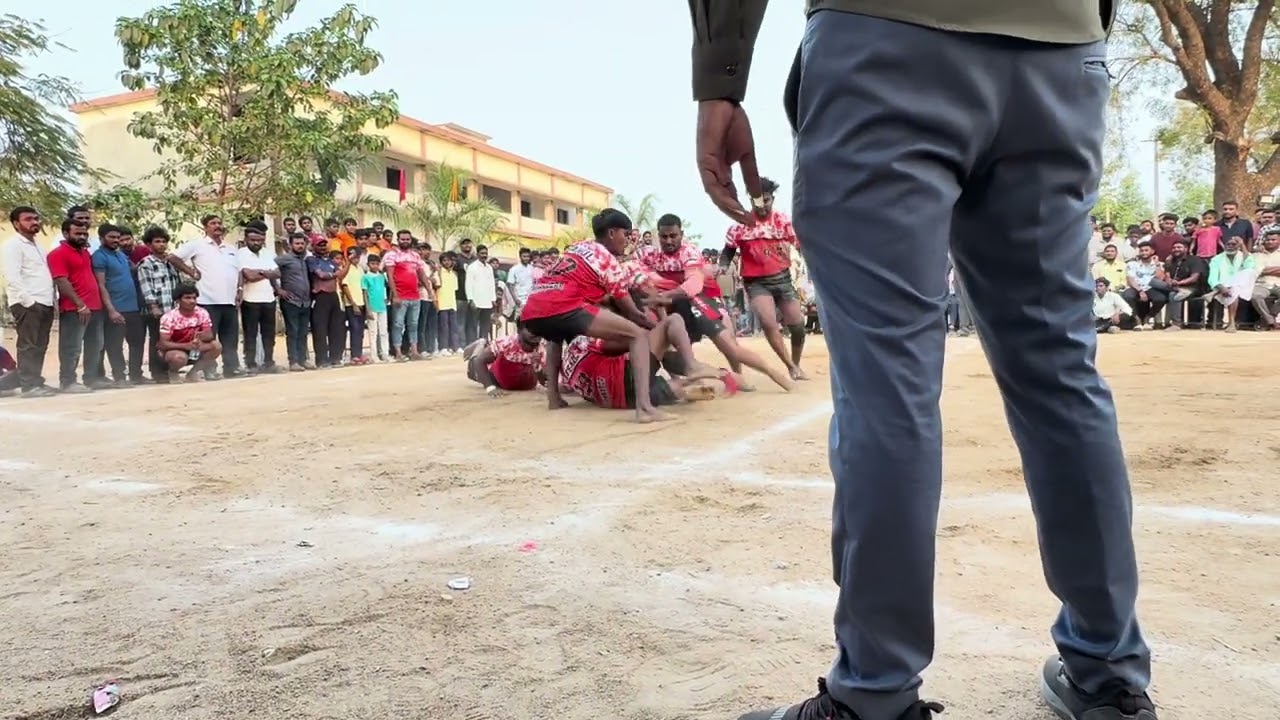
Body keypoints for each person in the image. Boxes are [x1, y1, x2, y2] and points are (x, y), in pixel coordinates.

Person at [688, 4, 1154, 720]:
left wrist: (720, 75)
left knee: (887, 386)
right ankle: (1109, 673)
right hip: (1062, 51)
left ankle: (875, 695)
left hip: (888, 36)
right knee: (1061, 372)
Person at [520, 208, 666, 423]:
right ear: (611, 233)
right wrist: (658, 329)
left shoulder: (579, 246)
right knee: (637, 335)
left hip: (534, 307)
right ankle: (644, 408)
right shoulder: (608, 261)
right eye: (625, 235)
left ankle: (553, 397)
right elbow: (631, 312)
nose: (627, 240)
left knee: (555, 335)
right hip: (564, 304)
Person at [639, 213, 793, 392]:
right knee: (665, 349)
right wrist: (658, 291)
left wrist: (664, 293)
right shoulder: (647, 254)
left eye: (673, 236)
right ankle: (702, 379)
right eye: (664, 236)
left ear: (681, 233)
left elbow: (693, 285)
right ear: (658, 236)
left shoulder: (689, 251)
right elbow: (637, 275)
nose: (668, 241)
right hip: (671, 303)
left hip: (698, 298)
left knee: (729, 346)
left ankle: (774, 374)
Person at [719, 177, 809, 381]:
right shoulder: (740, 225)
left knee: (798, 326)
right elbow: (728, 252)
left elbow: (800, 247)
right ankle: (790, 366)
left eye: (766, 200)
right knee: (769, 323)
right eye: (757, 201)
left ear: (772, 199)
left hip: (783, 279)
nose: (762, 205)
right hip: (756, 283)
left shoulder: (783, 221)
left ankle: (796, 362)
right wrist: (723, 266)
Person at [558, 313, 720, 409]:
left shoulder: (566, 363)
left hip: (614, 401)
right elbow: (634, 342)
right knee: (673, 321)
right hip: (626, 379)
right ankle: (691, 369)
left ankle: (679, 389)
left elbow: (566, 389)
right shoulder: (584, 341)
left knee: (659, 387)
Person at [173, 214, 242, 379]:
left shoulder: (231, 248)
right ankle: (209, 369)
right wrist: (191, 272)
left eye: (219, 223)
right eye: (213, 223)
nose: (217, 226)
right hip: (207, 300)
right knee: (208, 339)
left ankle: (232, 368)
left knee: (231, 338)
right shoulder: (197, 245)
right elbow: (173, 257)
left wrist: (240, 289)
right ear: (205, 227)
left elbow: (239, 271)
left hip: (230, 300)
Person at [2, 205, 57, 397]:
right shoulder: (12, 246)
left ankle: (36, 381)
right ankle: (28, 385)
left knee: (40, 345)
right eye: (28, 219)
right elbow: (12, 277)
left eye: (36, 218)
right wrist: (29, 302)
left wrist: (51, 300)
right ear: (17, 224)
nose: (34, 222)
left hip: (45, 302)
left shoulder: (39, 246)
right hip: (27, 303)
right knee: (28, 344)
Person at [46, 218, 102, 393]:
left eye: (84, 233)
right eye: (77, 233)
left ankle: (91, 379)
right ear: (65, 233)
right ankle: (68, 381)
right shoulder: (57, 254)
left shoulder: (85, 253)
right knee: (72, 346)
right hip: (74, 308)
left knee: (96, 345)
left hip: (94, 307)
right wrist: (80, 304)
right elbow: (61, 281)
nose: (82, 236)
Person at [90, 223, 139, 388]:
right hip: (116, 308)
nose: (116, 240)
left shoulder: (121, 255)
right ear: (101, 238)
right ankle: (119, 377)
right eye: (112, 237)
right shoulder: (99, 256)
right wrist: (111, 310)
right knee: (114, 345)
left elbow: (133, 269)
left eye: (118, 237)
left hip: (132, 306)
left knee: (135, 342)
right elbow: (101, 284)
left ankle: (134, 375)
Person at [157, 284, 222, 383]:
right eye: (187, 298)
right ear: (178, 301)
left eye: (194, 298)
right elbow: (163, 344)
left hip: (194, 348)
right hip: (175, 350)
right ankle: (173, 372)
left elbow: (210, 335)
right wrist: (186, 346)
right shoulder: (169, 317)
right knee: (178, 357)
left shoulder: (202, 313)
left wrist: (199, 339)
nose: (192, 301)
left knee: (216, 346)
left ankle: (193, 372)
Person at [462, 323, 545, 396]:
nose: (535, 333)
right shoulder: (506, 343)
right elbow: (479, 360)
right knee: (475, 367)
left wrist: (537, 365)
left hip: (520, 382)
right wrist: (490, 388)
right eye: (531, 329)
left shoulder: (542, 349)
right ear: (520, 330)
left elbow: (543, 381)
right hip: (494, 377)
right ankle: (480, 345)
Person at [362, 254, 391, 362]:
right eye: (372, 264)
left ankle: (385, 353)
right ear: (368, 264)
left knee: (383, 331)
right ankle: (374, 355)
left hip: (382, 306)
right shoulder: (366, 277)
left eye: (377, 264)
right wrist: (368, 308)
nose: (375, 266)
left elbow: (385, 289)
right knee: (373, 332)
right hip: (372, 307)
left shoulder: (382, 276)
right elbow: (365, 293)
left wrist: (387, 299)